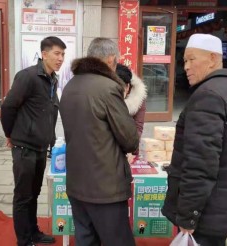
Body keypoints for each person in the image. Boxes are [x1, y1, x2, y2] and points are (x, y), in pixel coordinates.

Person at [161, 33, 227, 246]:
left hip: (207, 212)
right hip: (224, 206)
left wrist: (189, 215)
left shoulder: (208, 96)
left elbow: (200, 163)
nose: (186, 66)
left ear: (213, 59)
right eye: (184, 60)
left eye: (192, 59)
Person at [59, 37, 139, 246]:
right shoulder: (108, 87)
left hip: (77, 181)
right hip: (105, 187)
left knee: (86, 239)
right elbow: (130, 139)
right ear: (112, 60)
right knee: (117, 240)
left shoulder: (70, 85)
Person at [0, 36, 66, 246]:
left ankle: (34, 232)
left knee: (34, 193)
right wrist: (10, 135)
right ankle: (24, 240)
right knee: (23, 196)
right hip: (24, 146)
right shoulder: (27, 77)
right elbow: (8, 107)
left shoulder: (52, 79)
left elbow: (48, 112)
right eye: (57, 53)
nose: (60, 58)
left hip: (40, 147)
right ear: (44, 54)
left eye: (63, 54)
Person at [115, 63, 147, 160]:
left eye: (121, 89)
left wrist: (128, 149)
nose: (118, 93)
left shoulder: (139, 97)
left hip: (130, 147)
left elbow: (138, 127)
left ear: (128, 86)